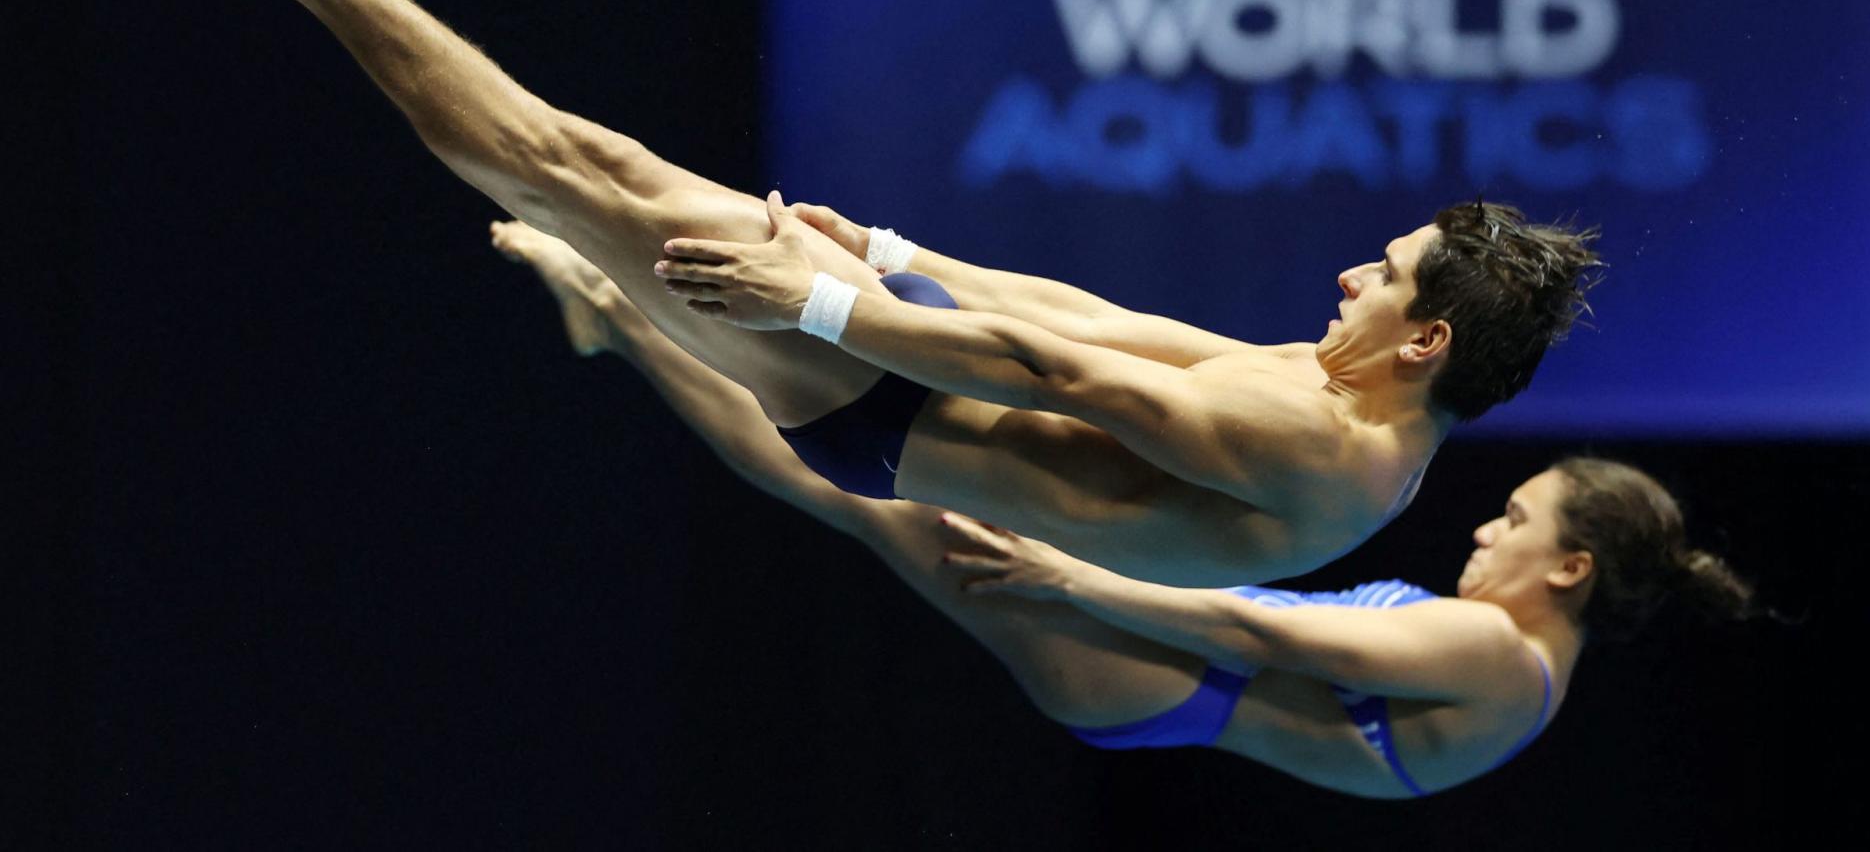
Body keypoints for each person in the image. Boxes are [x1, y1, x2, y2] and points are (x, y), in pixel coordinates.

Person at [149, 0, 1601, 586]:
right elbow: (1103, 324)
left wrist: (828, 305)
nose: (1352, 275)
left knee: (571, 167)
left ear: (1429, 341)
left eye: (1384, 275)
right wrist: (898, 253)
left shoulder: (1320, 443)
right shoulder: (1338, 396)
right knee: (592, 177)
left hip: (883, 400)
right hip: (899, 380)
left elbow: (1052, 372)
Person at [493, 221, 1751, 797]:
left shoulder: (1497, 655)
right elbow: (1120, 337)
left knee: (860, 495)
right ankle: (620, 318)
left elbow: (1258, 631)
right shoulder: (1512, 678)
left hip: (1149, 669)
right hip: (1155, 663)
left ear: (1571, 570)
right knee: (861, 493)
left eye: (1515, 523)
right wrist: (899, 259)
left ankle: (620, 316)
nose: (1484, 530)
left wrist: (1074, 579)